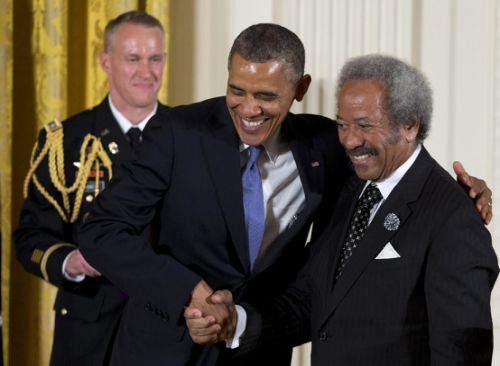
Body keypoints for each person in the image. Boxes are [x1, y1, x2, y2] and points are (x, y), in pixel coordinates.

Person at [78, 24, 492, 366]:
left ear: (300, 88)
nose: (248, 109)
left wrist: (460, 198)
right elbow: (101, 231)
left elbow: (398, 159)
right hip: (163, 350)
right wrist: (187, 292)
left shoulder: (327, 145)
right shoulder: (177, 133)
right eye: (237, 90)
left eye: (266, 96)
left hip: (261, 347)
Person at [186, 55, 499, 366]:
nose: (349, 140)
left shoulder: (454, 218)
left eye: (364, 125)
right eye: (342, 124)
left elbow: (462, 353)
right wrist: (235, 321)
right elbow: (311, 300)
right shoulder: (348, 190)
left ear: (409, 125)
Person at [13, 10, 168, 365]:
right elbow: (30, 238)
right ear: (105, 62)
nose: (146, 72)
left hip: (167, 330)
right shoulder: (65, 142)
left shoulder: (189, 136)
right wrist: (73, 260)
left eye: (154, 58)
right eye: (132, 58)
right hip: (89, 331)